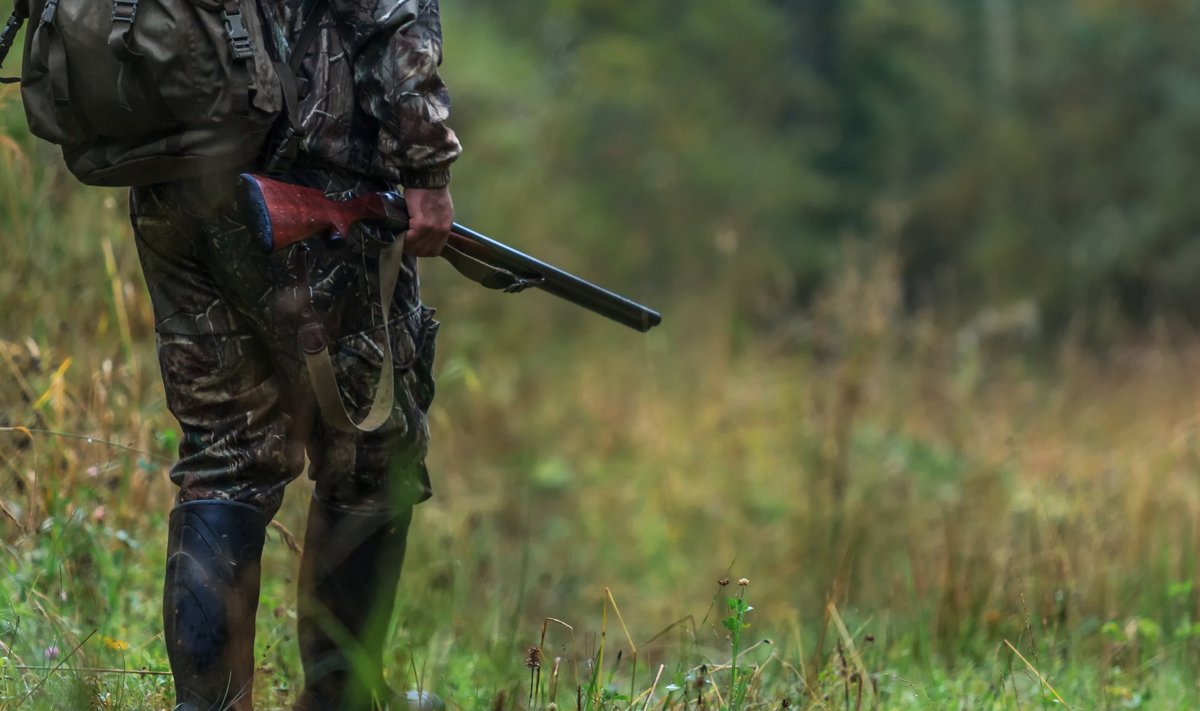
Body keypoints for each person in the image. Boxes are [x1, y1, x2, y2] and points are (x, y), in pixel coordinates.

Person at [127, 0, 461, 708]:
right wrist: (427, 168)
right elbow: (392, 17)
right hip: (312, 182)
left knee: (224, 453)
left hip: (169, 180)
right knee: (371, 453)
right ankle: (342, 699)